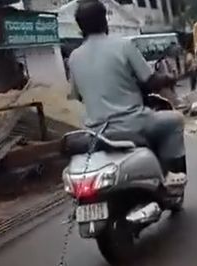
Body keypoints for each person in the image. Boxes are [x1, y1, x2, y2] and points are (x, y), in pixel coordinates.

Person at [67, 0, 187, 187]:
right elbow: (151, 81)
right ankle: (170, 173)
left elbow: (77, 95)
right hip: (133, 123)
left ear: (80, 27)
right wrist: (169, 79)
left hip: (96, 131)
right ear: (104, 21)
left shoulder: (74, 58)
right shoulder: (123, 46)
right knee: (174, 120)